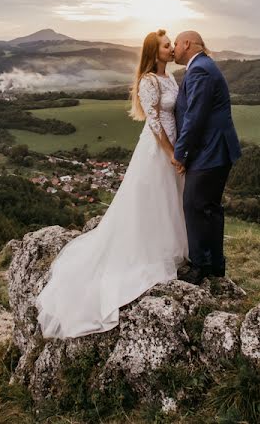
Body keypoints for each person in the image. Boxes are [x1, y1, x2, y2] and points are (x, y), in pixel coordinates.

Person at [35, 29, 188, 339]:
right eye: (165, 45)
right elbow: (155, 122)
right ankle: (148, 251)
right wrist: (171, 153)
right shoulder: (148, 81)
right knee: (153, 199)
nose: (171, 48)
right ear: (153, 52)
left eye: (171, 44)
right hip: (157, 150)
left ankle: (170, 247)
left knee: (169, 199)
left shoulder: (170, 77)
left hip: (173, 144)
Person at [171, 30, 242, 285]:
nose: (174, 49)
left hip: (210, 151)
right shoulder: (202, 66)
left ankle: (200, 266)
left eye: (176, 43)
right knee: (209, 208)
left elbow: (195, 116)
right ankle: (214, 265)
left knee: (194, 205)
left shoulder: (199, 69)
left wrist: (181, 153)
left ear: (187, 44)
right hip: (215, 150)